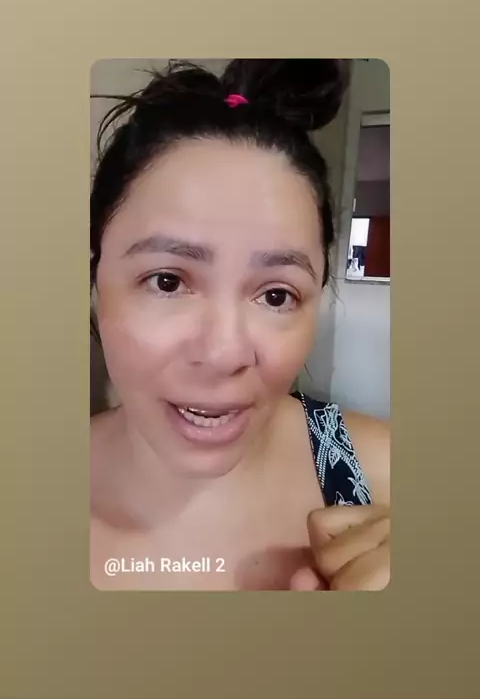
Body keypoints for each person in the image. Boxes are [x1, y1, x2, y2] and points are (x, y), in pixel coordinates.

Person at [90, 59, 390, 591]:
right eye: (167, 281)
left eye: (276, 295)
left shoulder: (391, 477)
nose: (225, 353)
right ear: (95, 281)